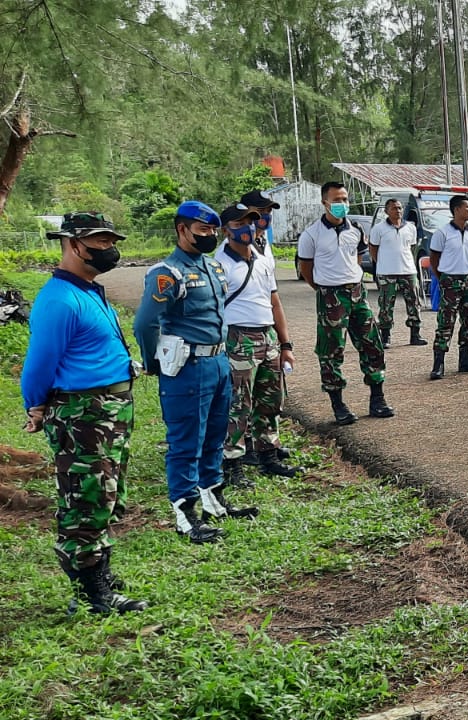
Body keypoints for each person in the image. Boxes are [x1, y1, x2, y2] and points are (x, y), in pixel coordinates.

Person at [23, 211, 147, 613]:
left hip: (108, 410)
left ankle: (98, 572)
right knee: (87, 498)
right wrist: (36, 405)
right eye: (100, 242)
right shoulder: (59, 299)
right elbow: (39, 364)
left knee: (108, 494)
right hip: (82, 413)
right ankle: (91, 593)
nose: (109, 249)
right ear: (73, 244)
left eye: (112, 241)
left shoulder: (90, 290)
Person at [135, 201, 257, 544]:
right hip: (187, 367)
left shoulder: (214, 268)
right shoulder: (166, 273)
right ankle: (185, 513)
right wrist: (153, 362)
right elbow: (145, 323)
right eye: (202, 230)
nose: (209, 236)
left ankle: (213, 498)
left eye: (212, 230)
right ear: (181, 230)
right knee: (186, 441)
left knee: (215, 435)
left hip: (219, 362)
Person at [295, 181, 394, 424]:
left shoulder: (356, 230)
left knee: (372, 344)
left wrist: (353, 281)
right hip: (331, 296)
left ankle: (377, 399)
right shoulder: (311, 234)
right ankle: (338, 404)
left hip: (358, 293)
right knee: (331, 351)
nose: (342, 204)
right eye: (337, 200)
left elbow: (357, 259)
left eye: (345, 199)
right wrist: (323, 288)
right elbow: (305, 268)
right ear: (325, 203)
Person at [216, 203, 300, 485]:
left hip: (267, 337)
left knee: (270, 399)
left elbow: (274, 302)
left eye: (250, 222)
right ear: (225, 230)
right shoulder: (218, 265)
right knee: (238, 403)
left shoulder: (262, 259)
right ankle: (233, 464)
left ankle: (268, 454)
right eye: (239, 224)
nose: (247, 228)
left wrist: (285, 344)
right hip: (238, 338)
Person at [428, 195, 468, 379]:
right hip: (450, 281)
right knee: (446, 322)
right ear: (456, 210)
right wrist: (443, 278)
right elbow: (434, 259)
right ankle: (438, 364)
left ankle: (465, 360)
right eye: (467, 208)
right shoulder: (442, 233)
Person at [369, 198, 427, 348]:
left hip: (408, 271)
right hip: (387, 272)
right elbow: (373, 249)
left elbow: (412, 248)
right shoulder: (379, 229)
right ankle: (386, 336)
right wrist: (381, 263)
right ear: (386, 211)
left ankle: (415, 334)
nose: (398, 211)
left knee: (414, 302)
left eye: (400, 208)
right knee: (386, 304)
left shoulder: (410, 228)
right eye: (394, 208)